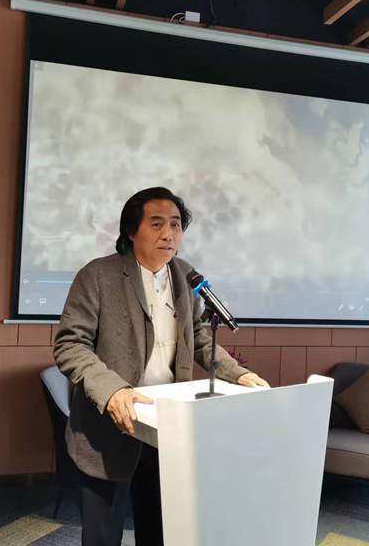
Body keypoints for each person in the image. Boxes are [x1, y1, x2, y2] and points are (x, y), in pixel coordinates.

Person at [54, 186, 269, 546]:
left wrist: (239, 373)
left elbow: (198, 337)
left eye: (175, 225)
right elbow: (70, 345)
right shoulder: (97, 276)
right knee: (103, 536)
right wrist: (113, 391)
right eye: (156, 224)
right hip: (112, 426)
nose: (169, 234)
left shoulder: (185, 275)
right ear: (130, 231)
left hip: (166, 426)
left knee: (161, 531)